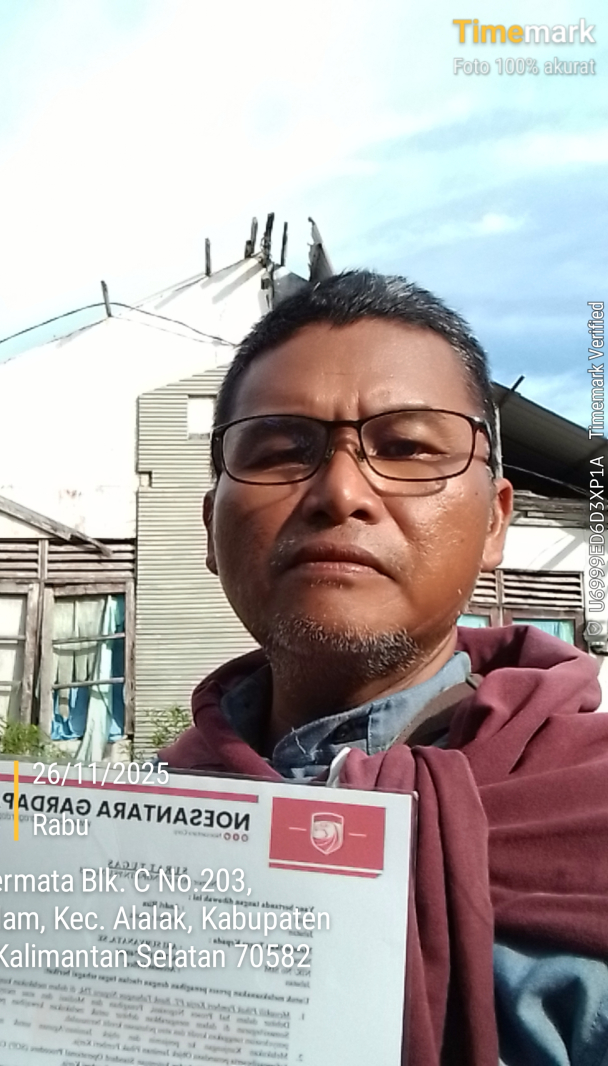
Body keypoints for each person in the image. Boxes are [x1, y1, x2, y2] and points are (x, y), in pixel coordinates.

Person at [160, 271, 608, 1066]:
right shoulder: (128, 833)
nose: (340, 492)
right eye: (280, 450)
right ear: (210, 529)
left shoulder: (588, 803)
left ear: (495, 523)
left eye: (407, 448)